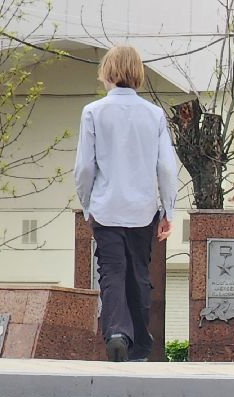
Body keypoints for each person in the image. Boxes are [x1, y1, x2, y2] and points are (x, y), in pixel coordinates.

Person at [73, 44, 178, 363]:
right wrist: (168, 209)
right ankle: (140, 342)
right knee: (139, 274)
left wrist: (87, 202)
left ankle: (118, 332)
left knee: (112, 272)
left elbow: (85, 167)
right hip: (143, 208)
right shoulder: (154, 114)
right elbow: (166, 167)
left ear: (107, 72)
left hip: (106, 207)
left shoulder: (93, 112)